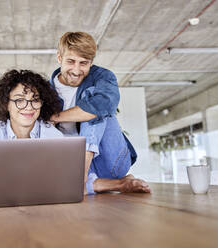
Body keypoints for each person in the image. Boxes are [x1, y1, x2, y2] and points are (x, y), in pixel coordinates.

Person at [49, 32, 150, 194]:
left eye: (83, 63)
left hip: (110, 161)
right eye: (71, 61)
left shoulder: (102, 77)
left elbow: (100, 106)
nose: (76, 70)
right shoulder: (46, 91)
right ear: (59, 58)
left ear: (91, 63)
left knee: (96, 106)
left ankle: (81, 175)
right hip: (71, 166)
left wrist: (55, 117)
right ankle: (117, 184)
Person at [0, 69, 63, 193]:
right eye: (19, 100)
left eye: (35, 100)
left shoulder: (55, 136)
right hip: (1, 203)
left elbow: (61, 180)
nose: (29, 107)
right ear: (6, 104)